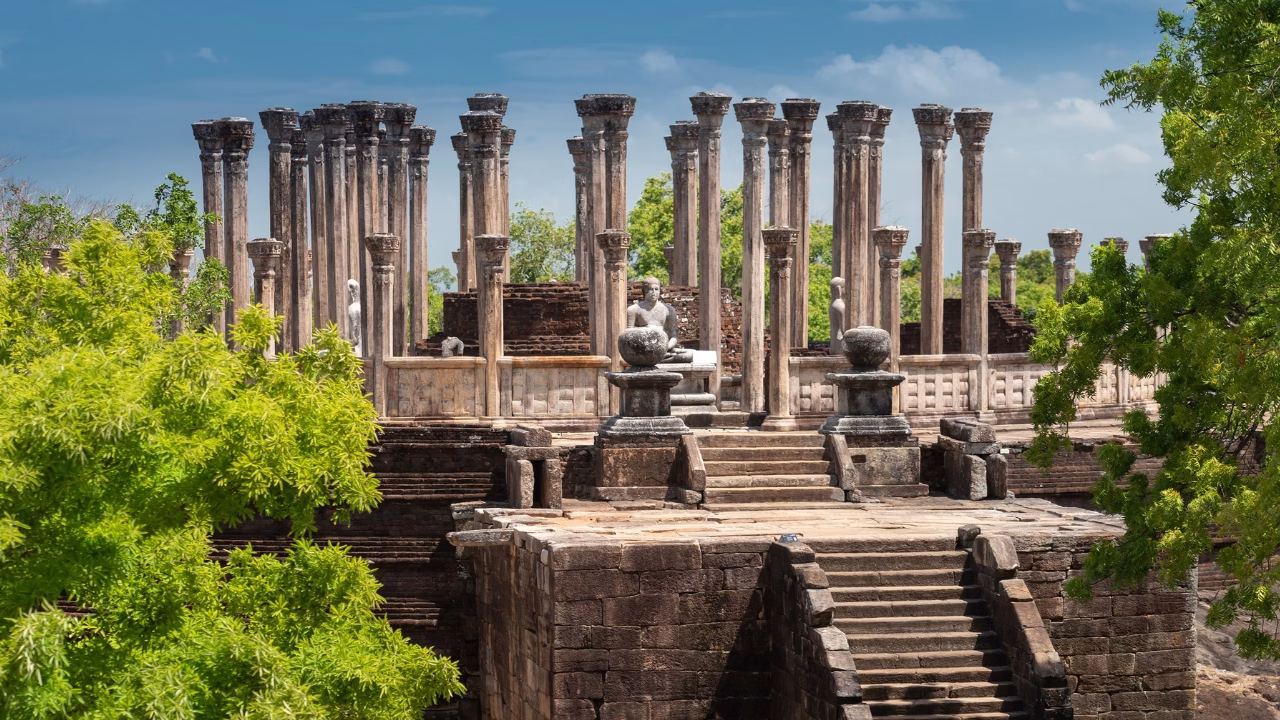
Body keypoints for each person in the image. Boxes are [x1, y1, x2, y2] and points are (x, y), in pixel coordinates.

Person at [625, 277, 693, 363]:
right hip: (644, 349)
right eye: (651, 289)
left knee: (688, 355)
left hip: (664, 349)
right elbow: (629, 335)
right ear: (645, 290)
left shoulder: (668, 310)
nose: (654, 292)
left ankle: (659, 359)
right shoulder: (634, 309)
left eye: (656, 289)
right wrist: (642, 346)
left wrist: (666, 347)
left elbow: (674, 336)